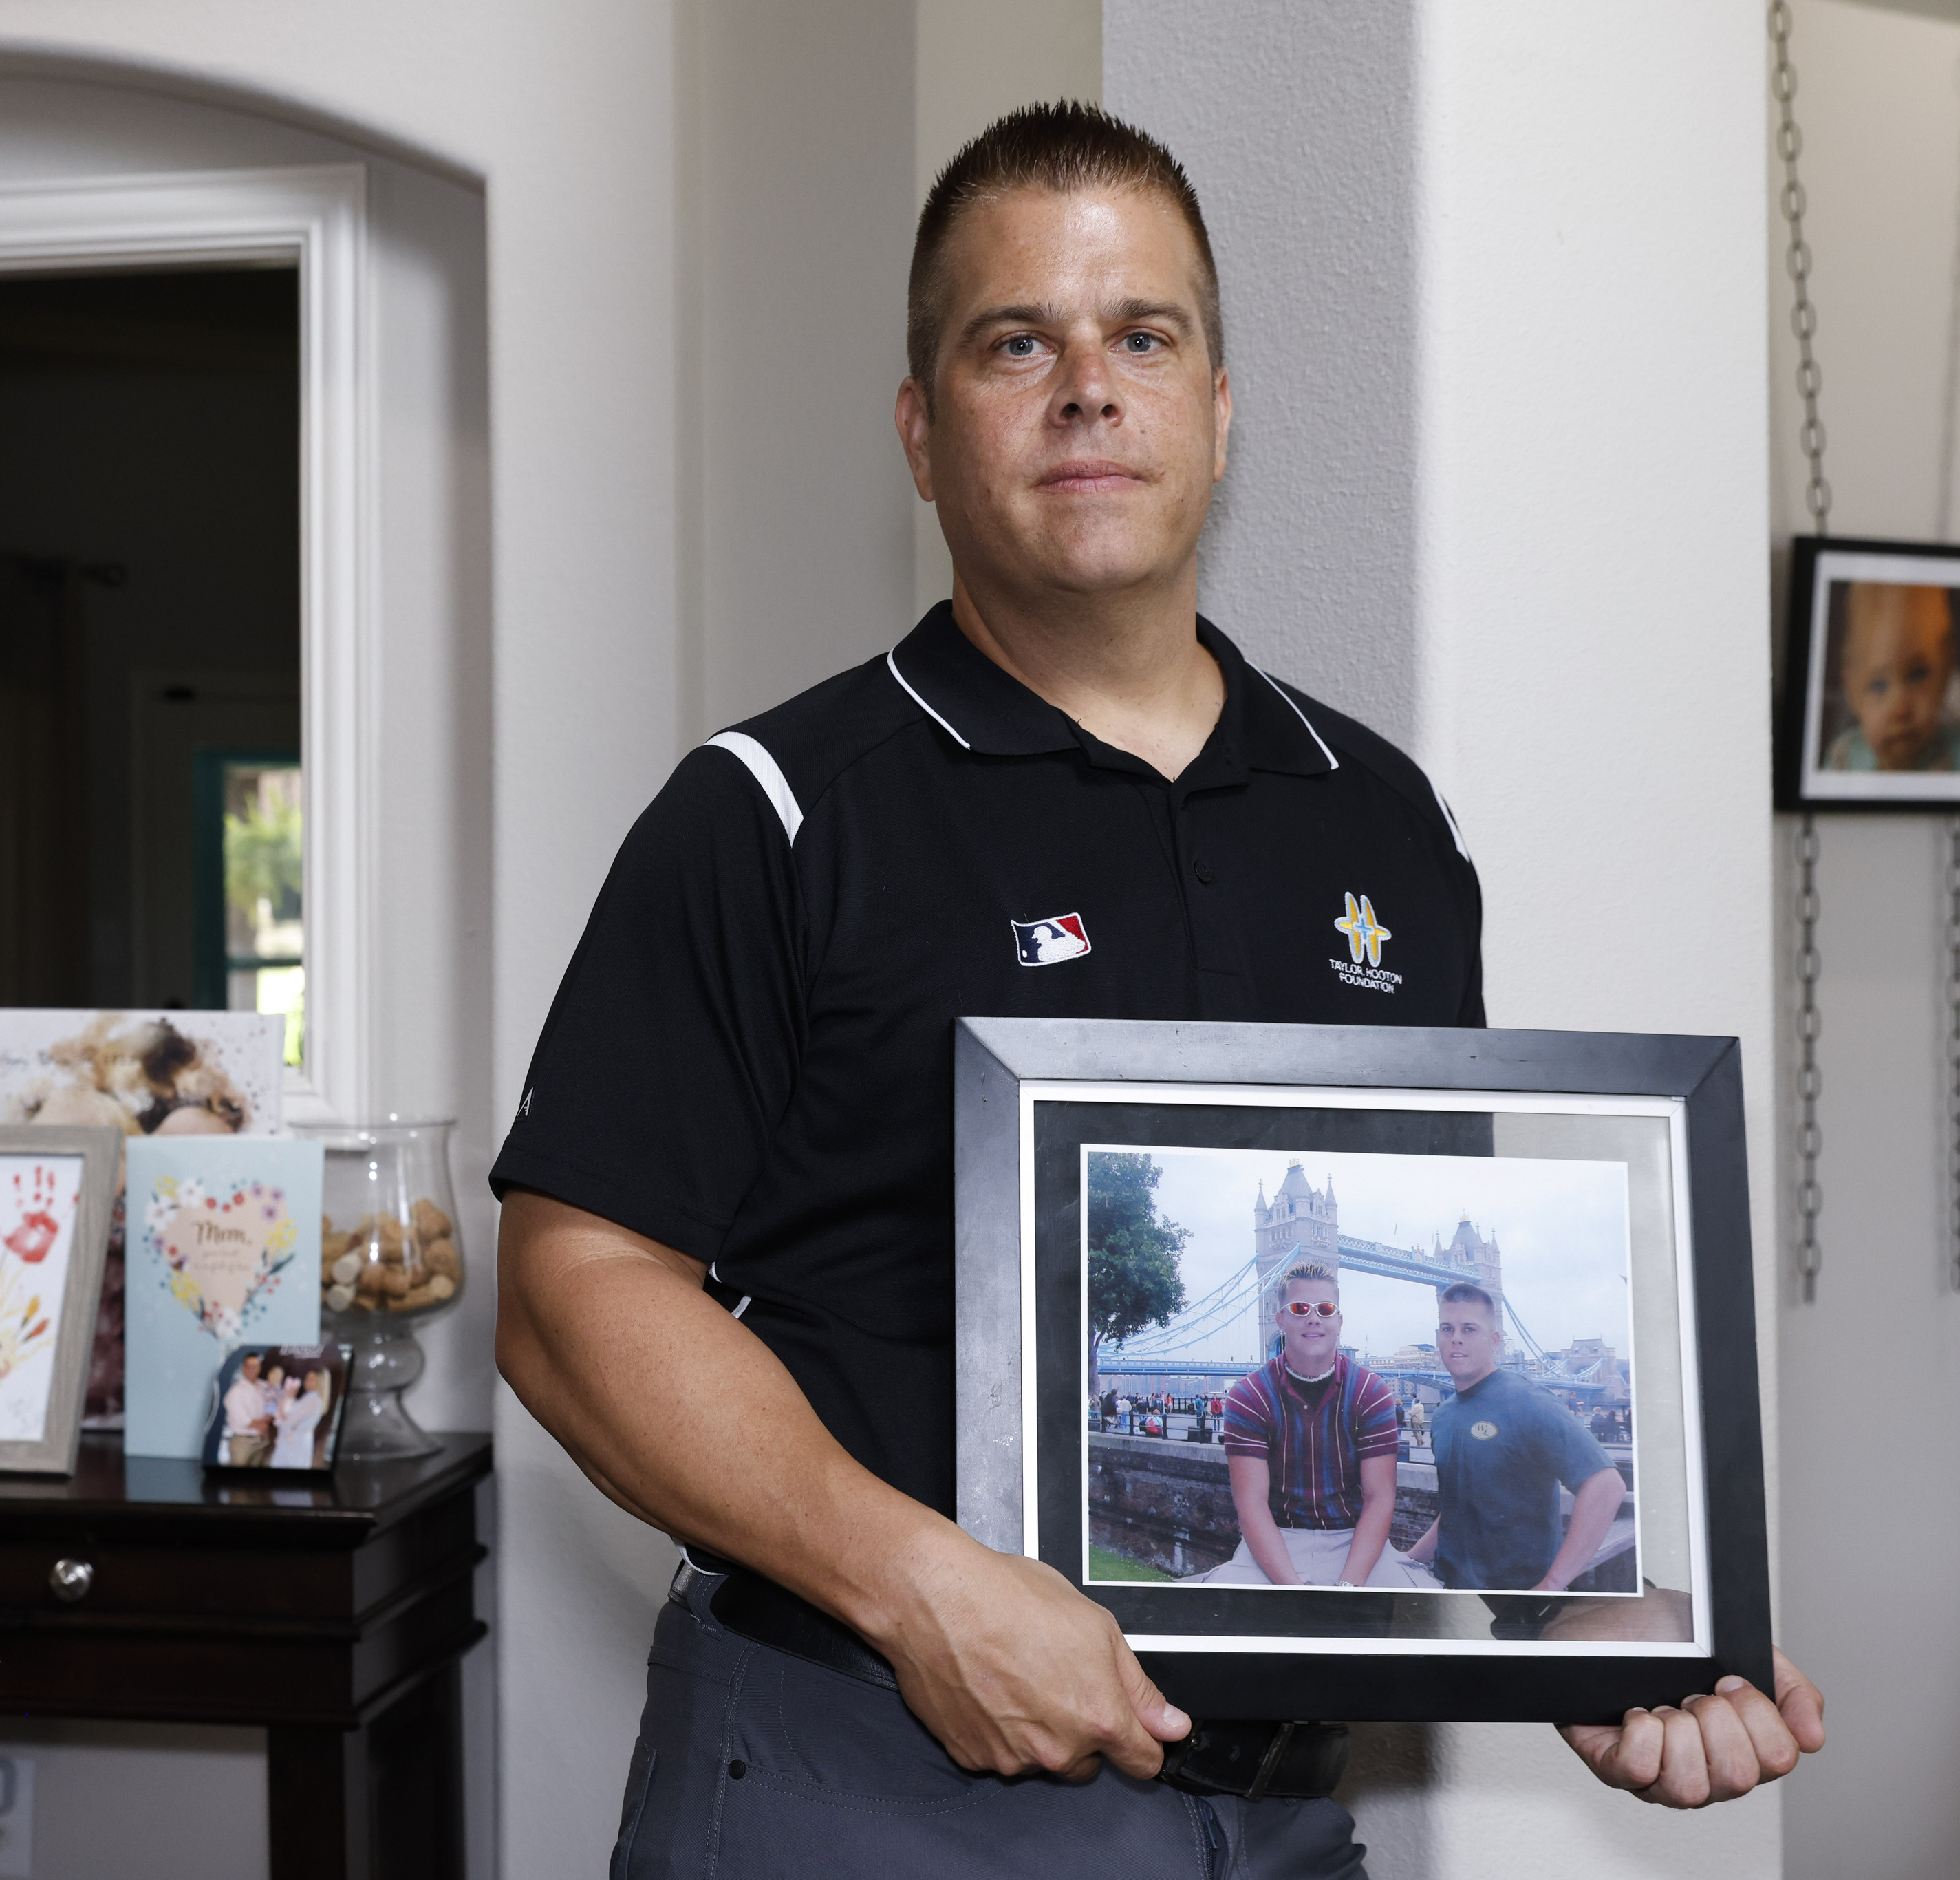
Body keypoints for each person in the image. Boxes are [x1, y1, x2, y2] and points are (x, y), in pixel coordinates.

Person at [494, 101, 1825, 1879]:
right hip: (862, 1771)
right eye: (1012, 341)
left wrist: (1573, 1623)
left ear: (1217, 408)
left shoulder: (1385, 818)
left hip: (1279, 1806)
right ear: (921, 426)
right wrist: (924, 1588)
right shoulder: (775, 807)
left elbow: (1451, 1301)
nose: (1085, 388)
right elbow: (574, 1286)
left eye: (1144, 335)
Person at [1191, 1265, 1432, 1590]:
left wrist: (1349, 1585)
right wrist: (1294, 1591)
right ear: (1281, 1320)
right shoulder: (1248, 1396)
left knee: (1418, 1607)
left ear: (1339, 1320)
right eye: (1300, 1309)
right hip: (1277, 1538)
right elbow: (1251, 1503)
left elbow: (1379, 1497)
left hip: (1355, 1539)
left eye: (1326, 1309)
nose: (1313, 1318)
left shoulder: (1372, 1393)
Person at [1405, 1284, 1627, 1594]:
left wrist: (1553, 1584)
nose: (1456, 1337)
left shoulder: (1529, 1402)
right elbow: (1457, 1509)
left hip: (1520, 1600)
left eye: (1469, 1329)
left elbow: (1607, 1485)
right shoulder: (1443, 1417)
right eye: (1447, 1328)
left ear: (1494, 1340)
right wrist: (1411, 1559)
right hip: (1453, 1591)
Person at [1822, 581, 1960, 773]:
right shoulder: (1843, 759)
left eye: (1918, 675)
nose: (1900, 709)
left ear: (1944, 676)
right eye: (1879, 685)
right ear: (1852, 692)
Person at [219, 1352, 274, 1467]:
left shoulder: (265, 1386)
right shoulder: (235, 1392)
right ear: (243, 1368)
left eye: (254, 1366)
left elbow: (273, 1407)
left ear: (259, 1368)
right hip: (243, 1442)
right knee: (238, 1483)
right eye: (248, 1366)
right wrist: (263, 1425)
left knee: (258, 1484)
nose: (251, 1370)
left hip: (262, 1441)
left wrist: (266, 1422)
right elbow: (245, 1421)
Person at [272, 1366, 330, 1469]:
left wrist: (283, 1426)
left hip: (295, 1442)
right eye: (307, 1378)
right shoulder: (310, 1397)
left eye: (312, 1379)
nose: (307, 1382)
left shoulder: (313, 1399)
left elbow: (289, 1421)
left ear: (320, 1382)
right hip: (296, 1441)